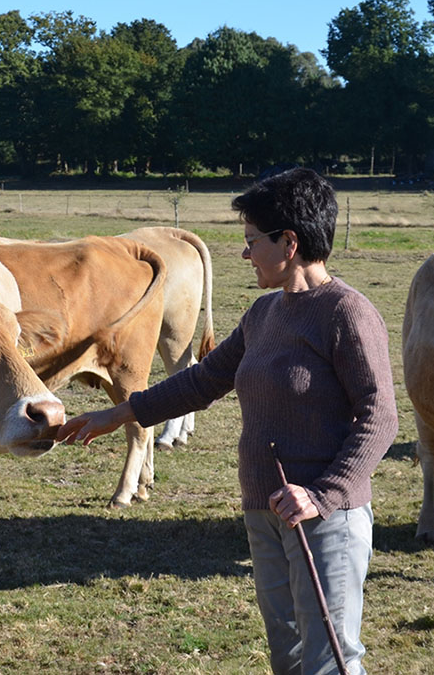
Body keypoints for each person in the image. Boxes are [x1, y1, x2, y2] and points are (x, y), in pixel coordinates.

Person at [57, 167, 398, 675]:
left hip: (324, 518)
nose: (244, 253)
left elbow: (380, 418)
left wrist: (322, 495)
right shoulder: (263, 313)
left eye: (251, 241)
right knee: (288, 654)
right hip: (264, 511)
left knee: (330, 658)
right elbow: (201, 381)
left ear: (289, 242)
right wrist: (119, 414)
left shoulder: (347, 313)